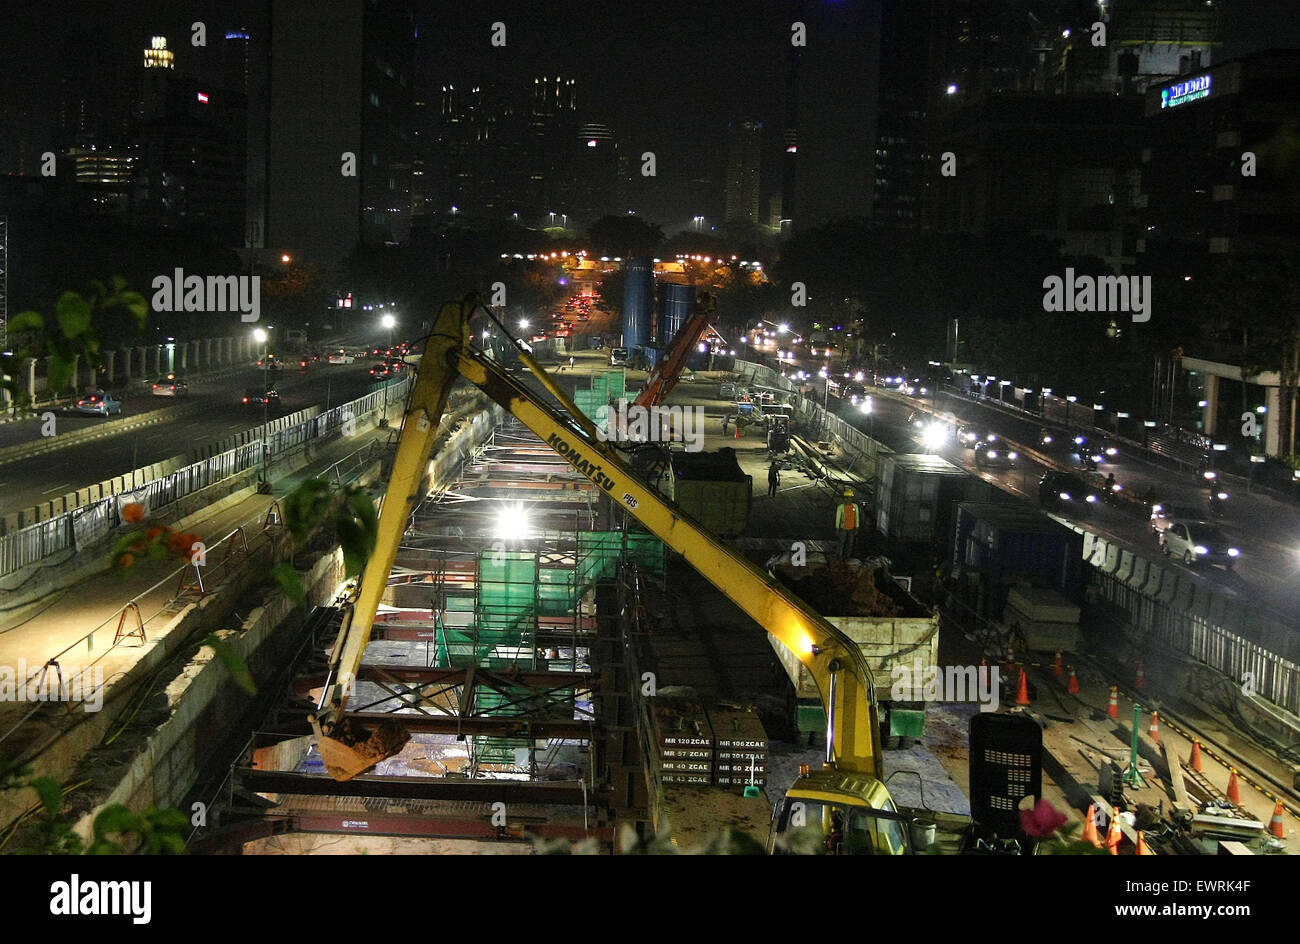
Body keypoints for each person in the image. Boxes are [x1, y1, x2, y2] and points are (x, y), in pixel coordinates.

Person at [835, 489, 861, 560]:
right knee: (841, 543)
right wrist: (837, 528)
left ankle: (847, 557)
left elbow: (857, 518)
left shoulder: (855, 507)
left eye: (850, 498)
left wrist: (857, 528)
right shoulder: (840, 507)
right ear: (845, 498)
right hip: (843, 528)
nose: (849, 499)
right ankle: (839, 556)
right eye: (847, 498)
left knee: (850, 544)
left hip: (852, 529)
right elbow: (838, 518)